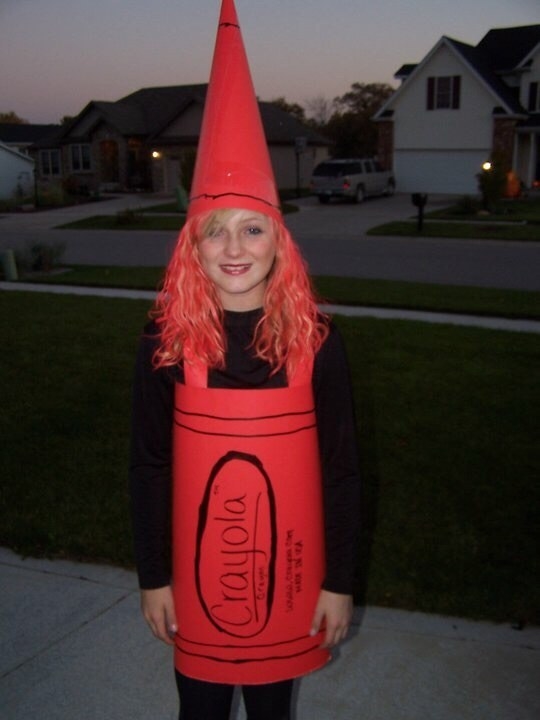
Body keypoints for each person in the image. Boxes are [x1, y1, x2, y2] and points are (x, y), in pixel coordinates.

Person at [129, 2, 360, 718]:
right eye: (215, 232)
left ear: (279, 241)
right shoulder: (166, 340)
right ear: (191, 248)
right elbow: (149, 464)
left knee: (270, 708)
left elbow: (341, 466)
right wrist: (155, 577)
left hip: (288, 576)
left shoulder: (315, 341)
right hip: (198, 587)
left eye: (252, 228)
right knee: (198, 706)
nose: (234, 249)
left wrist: (337, 581)